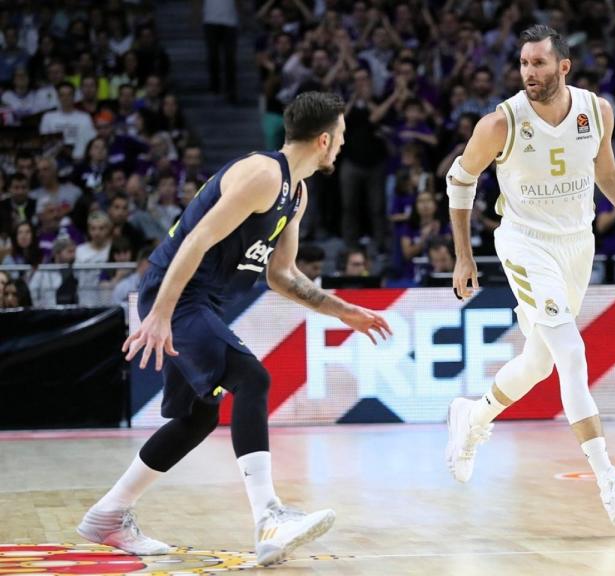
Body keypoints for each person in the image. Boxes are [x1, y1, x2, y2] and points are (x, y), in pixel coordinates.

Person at [77, 92, 392, 566]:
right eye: (342, 137)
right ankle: (269, 516)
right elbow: (198, 236)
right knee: (253, 378)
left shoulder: (297, 194)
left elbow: (281, 274)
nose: (343, 146)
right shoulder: (263, 174)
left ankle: (108, 514)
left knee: (197, 417)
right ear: (325, 139)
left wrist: (340, 309)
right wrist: (159, 313)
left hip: (199, 300)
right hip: (179, 294)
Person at [445, 25, 615, 528]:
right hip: (523, 242)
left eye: (539, 63)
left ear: (563, 67)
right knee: (571, 352)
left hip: (577, 243)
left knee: (538, 364)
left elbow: (607, 174)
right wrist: (463, 256)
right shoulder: (501, 123)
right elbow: (459, 180)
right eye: (524, 64)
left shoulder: (596, 111)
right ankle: (609, 481)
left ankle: (473, 417)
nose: (530, 73)